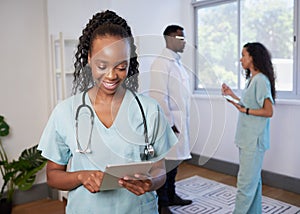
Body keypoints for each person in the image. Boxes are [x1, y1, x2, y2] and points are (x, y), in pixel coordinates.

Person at [38, 10, 178, 214]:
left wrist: (151, 181)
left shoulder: (149, 110)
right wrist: (80, 176)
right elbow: (53, 175)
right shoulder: (65, 112)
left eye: (121, 67)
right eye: (102, 65)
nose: (111, 75)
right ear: (89, 59)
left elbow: (159, 169)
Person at [221, 42, 276, 214]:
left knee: (245, 184)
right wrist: (232, 95)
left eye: (243, 55)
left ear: (252, 57)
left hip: (253, 140)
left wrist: (244, 109)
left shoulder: (261, 80)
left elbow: (268, 111)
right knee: (253, 183)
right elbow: (249, 105)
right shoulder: (252, 79)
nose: (240, 59)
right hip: (247, 139)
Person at [149, 25, 192, 214]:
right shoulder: (161, 63)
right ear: (169, 39)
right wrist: (169, 124)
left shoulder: (177, 63)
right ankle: (162, 203)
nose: (184, 41)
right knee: (165, 164)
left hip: (180, 120)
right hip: (170, 123)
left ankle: (172, 195)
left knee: (174, 162)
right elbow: (159, 97)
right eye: (180, 38)